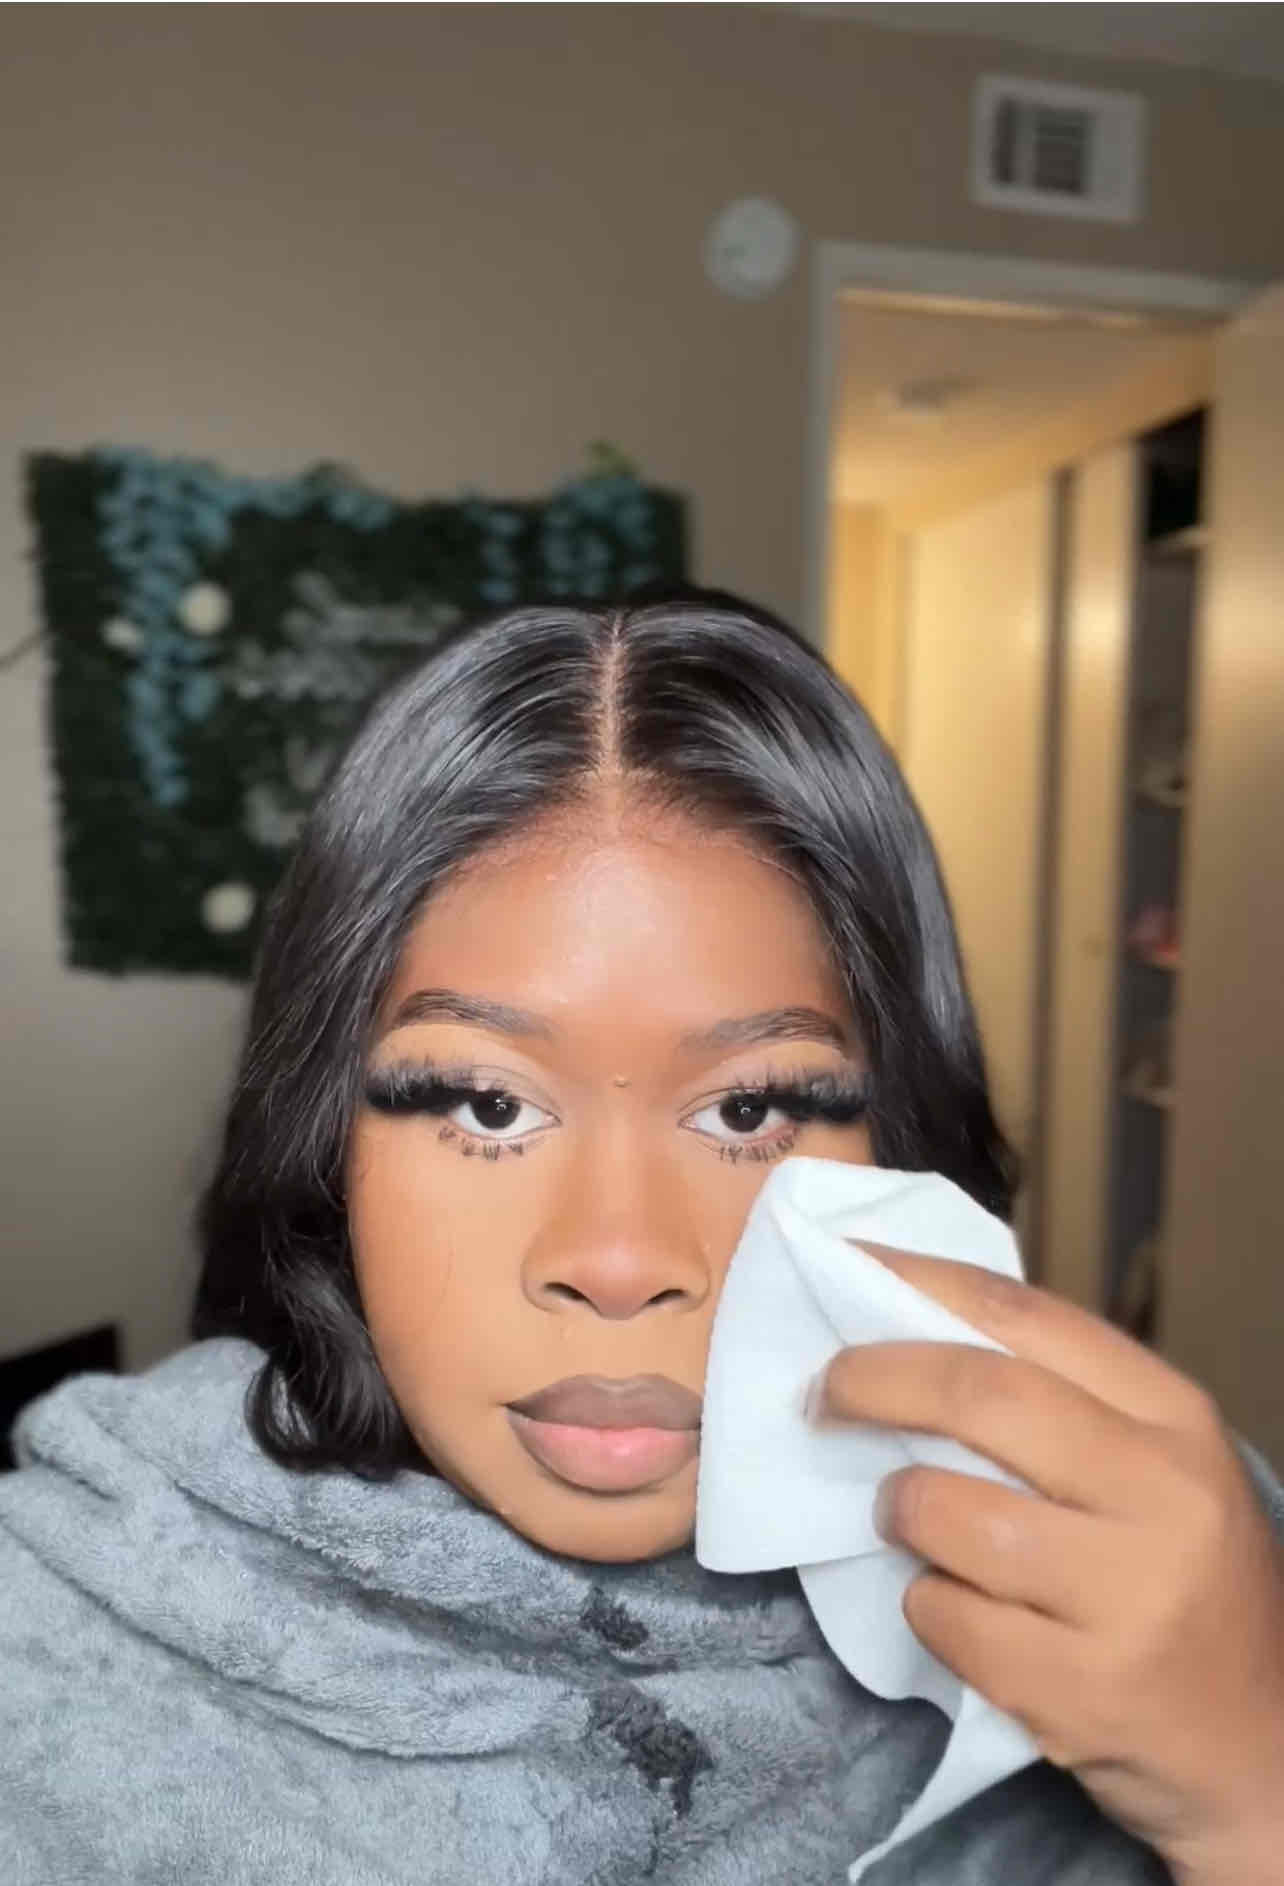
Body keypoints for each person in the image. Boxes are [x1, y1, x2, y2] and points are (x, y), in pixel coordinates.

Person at [2, 595, 1282, 1886]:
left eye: (749, 1110)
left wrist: (1248, 1795)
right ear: (329, 1142)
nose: (617, 1262)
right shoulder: (40, 1663)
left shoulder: (1160, 1574)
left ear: (899, 1146)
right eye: (487, 1105)